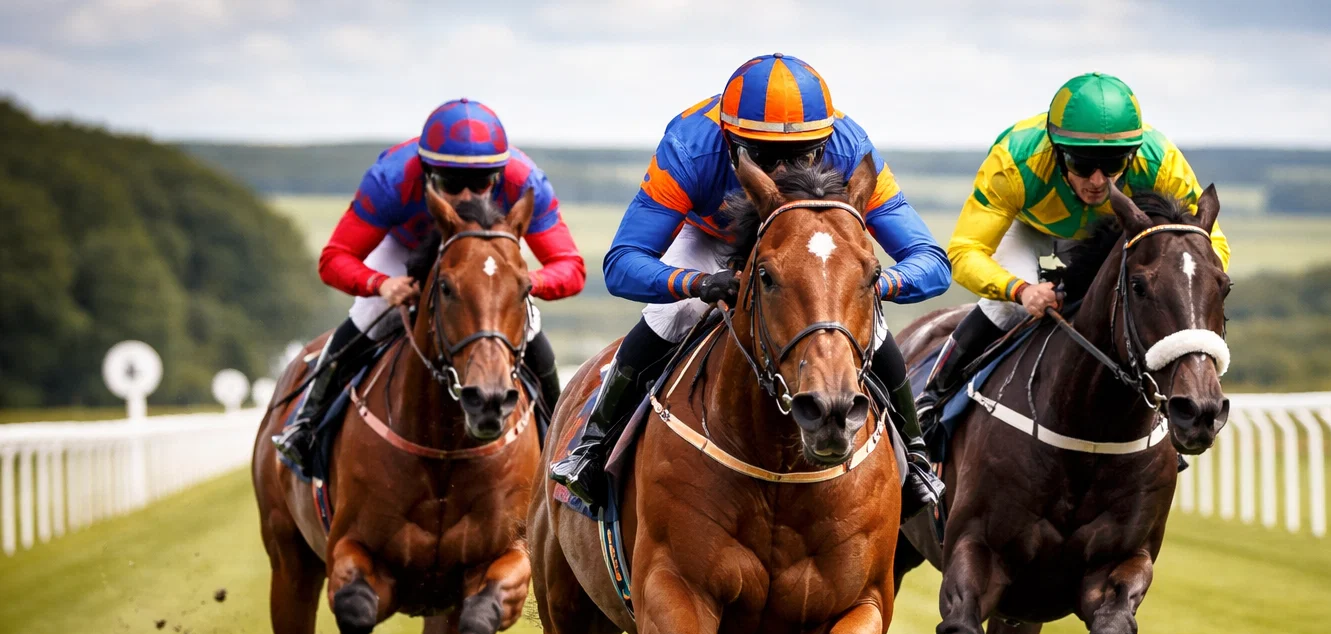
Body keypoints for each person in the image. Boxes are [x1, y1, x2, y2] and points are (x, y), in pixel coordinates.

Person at [550, 54, 951, 518]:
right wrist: (699, 283)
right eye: (761, 156)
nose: (780, 173)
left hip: (802, 243)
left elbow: (931, 262)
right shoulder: (688, 147)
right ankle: (592, 448)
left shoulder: (848, 146)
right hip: (710, 237)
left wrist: (868, 288)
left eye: (801, 156)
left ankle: (916, 457)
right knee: (672, 313)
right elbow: (622, 264)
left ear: (824, 142)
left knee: (867, 326)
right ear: (728, 139)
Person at [273, 98, 584, 475]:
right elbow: (335, 258)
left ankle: (562, 445)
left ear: (499, 176)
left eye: (482, 183)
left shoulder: (526, 181)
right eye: (453, 184)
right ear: (427, 173)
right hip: (404, 250)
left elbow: (570, 267)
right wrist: (381, 284)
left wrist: (520, 283)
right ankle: (305, 427)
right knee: (369, 314)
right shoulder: (390, 180)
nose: (468, 197)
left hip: (483, 262)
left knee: (530, 331)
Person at [916, 72, 1231, 429]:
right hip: (1028, 228)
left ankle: (1158, 407)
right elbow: (964, 251)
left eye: (1113, 164)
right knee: (1007, 308)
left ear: (1132, 153)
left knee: (1134, 300)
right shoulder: (1015, 161)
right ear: (1057, 150)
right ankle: (933, 398)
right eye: (1082, 164)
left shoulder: (1160, 162)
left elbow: (1209, 244)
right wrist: (1021, 291)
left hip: (1110, 235)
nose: (1098, 180)